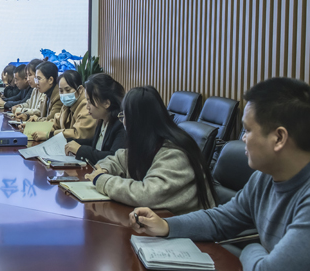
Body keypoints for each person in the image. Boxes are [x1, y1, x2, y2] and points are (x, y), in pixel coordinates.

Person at [129, 78, 310, 271]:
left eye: (248, 130)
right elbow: (222, 219)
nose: (243, 138)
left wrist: (251, 248)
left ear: (279, 138)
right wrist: (166, 225)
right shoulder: (264, 177)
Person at [85, 86, 216, 215]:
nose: (123, 122)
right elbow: (118, 159)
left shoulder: (175, 153)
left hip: (187, 227)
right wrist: (104, 169)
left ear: (140, 120)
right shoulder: (150, 143)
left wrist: (103, 180)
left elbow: (146, 195)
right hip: (162, 222)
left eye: (126, 117)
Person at [64, 73, 126, 161]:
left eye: (90, 101)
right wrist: (69, 142)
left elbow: (113, 157)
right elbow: (96, 144)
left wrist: (80, 150)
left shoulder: (121, 124)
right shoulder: (102, 119)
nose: (87, 107)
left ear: (106, 103)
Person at [32, 70, 97, 141]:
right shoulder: (67, 105)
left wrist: (50, 134)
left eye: (68, 90)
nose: (64, 94)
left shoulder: (87, 106)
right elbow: (56, 124)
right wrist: (32, 128)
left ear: (80, 89)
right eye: (61, 91)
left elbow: (78, 134)